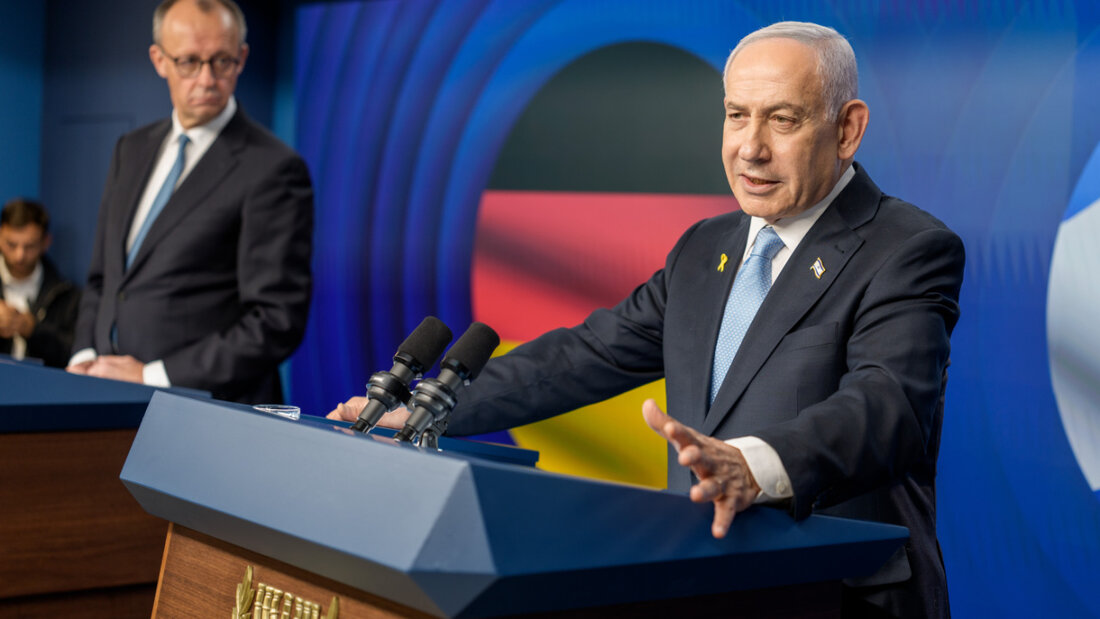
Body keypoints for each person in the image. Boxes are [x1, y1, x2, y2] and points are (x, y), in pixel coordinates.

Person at [331, 21, 963, 618]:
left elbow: (888, 406)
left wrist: (757, 465)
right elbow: (584, 356)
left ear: (847, 129)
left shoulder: (906, 249)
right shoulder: (702, 249)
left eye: (783, 120)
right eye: (736, 116)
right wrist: (430, 412)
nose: (750, 147)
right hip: (699, 584)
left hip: (838, 597)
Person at [67, 0, 313, 403]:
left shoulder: (274, 168)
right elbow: (104, 280)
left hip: (208, 413)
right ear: (159, 60)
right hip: (107, 400)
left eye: (222, 61)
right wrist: (85, 355)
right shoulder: (130, 149)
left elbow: (276, 320)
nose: (206, 79)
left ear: (242, 57)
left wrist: (153, 375)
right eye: (189, 62)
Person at [0, 199, 80, 367]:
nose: (19, 255)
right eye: (11, 244)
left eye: (29, 246)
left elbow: (76, 357)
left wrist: (32, 329)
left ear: (46, 243)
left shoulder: (66, 294)